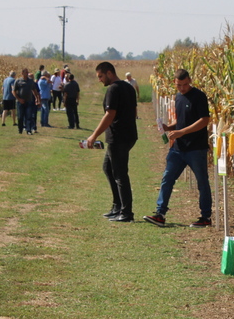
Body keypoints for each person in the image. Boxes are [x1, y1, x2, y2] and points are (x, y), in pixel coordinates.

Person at [143, 69, 212, 228]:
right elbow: (182, 121)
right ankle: (160, 213)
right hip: (178, 148)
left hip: (196, 148)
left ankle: (205, 217)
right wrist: (169, 127)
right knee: (167, 178)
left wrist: (182, 132)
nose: (182, 88)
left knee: (202, 182)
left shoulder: (199, 96)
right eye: (179, 85)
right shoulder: (178, 97)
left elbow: (204, 120)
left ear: (190, 81)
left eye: (185, 84)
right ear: (174, 83)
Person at [85, 62, 137, 222]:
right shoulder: (129, 87)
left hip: (119, 137)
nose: (100, 80)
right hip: (129, 135)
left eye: (100, 76)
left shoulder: (113, 89)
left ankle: (126, 212)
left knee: (120, 173)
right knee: (108, 168)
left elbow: (109, 115)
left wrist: (94, 136)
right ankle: (117, 206)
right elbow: (134, 111)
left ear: (109, 73)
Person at [13, 68, 41, 135]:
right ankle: (20, 129)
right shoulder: (18, 81)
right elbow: (13, 91)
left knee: (29, 116)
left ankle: (29, 130)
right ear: (22, 73)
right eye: (26, 72)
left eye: (27, 72)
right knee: (20, 117)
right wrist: (19, 99)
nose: (27, 73)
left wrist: (37, 98)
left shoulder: (31, 81)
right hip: (20, 102)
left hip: (29, 101)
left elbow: (34, 90)